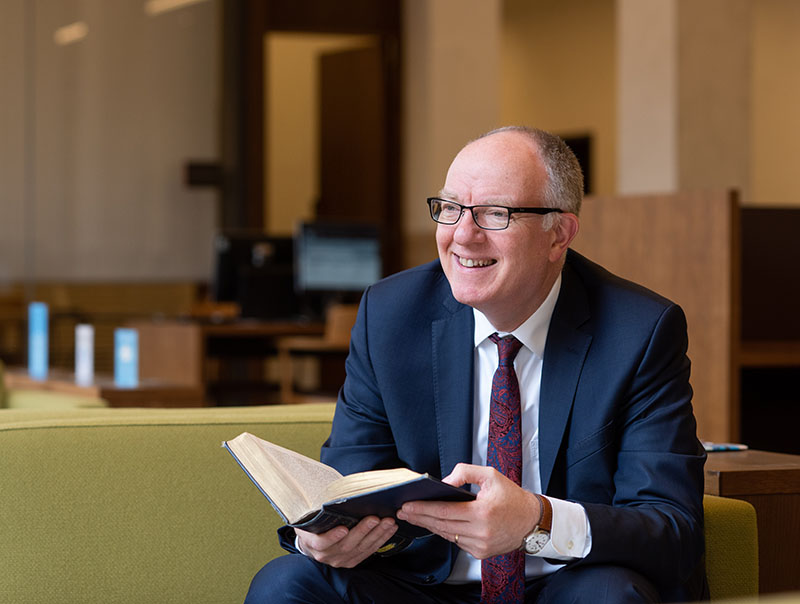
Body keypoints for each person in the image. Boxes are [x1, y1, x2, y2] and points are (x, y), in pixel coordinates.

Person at [245, 126, 707, 603]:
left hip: (563, 584)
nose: (463, 235)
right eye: (450, 208)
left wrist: (537, 519)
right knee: (287, 584)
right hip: (421, 586)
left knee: (610, 596)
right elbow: (349, 482)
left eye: (495, 213)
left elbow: (672, 527)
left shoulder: (638, 332)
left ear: (559, 234)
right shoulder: (391, 316)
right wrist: (323, 536)